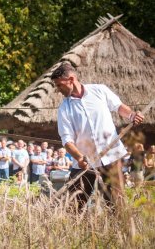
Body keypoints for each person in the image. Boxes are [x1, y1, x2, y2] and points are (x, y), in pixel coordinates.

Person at [51, 62, 144, 210]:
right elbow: (67, 140)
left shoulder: (99, 90)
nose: (58, 89)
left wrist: (132, 115)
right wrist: (79, 158)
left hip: (111, 158)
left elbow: (118, 106)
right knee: (73, 206)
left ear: (71, 79)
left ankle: (117, 231)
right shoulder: (64, 108)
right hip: (85, 163)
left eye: (60, 85)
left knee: (115, 203)